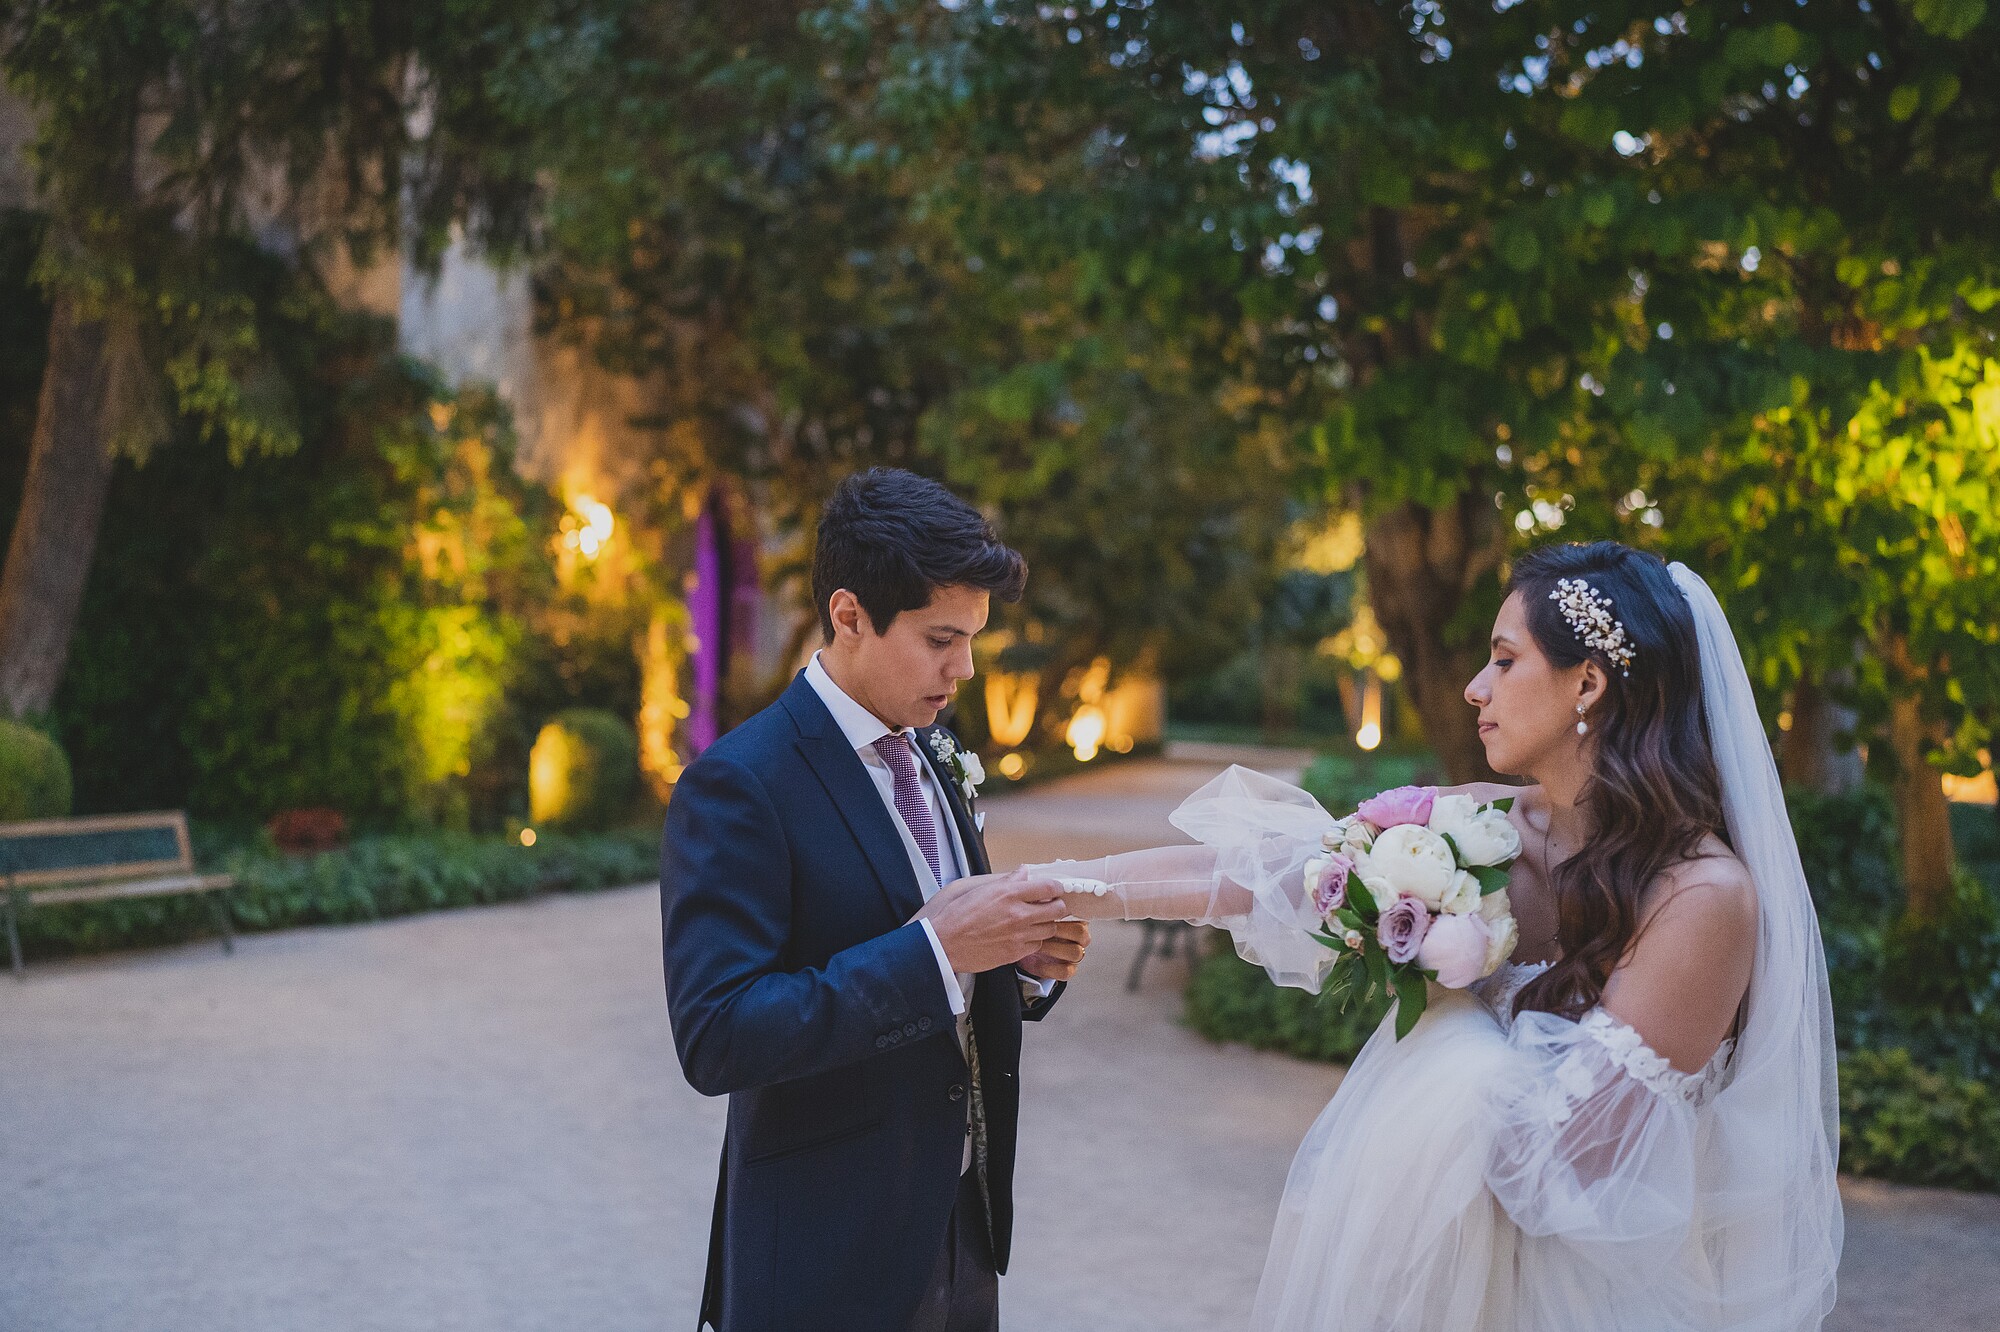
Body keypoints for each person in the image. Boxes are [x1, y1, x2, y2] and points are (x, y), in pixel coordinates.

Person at [1028, 541, 1842, 1331]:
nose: (1473, 687)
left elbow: (1556, 1170)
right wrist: (1046, 890)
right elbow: (1252, 873)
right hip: (1425, 1286)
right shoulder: (1482, 826)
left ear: (1586, 683)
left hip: (1582, 1301)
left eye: (1504, 660)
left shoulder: (1703, 899)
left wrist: (1444, 1004)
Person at [660, 468, 1089, 1331]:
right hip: (826, 1253)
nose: (963, 669)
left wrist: (1016, 960)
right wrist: (935, 954)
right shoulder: (739, 784)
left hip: (961, 1229)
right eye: (940, 639)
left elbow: (951, 960)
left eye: (971, 638)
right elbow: (718, 1035)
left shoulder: (930, 747)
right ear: (849, 615)